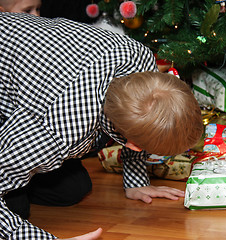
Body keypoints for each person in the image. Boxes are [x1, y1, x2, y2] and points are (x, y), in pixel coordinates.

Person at [0, 12, 203, 240]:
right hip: (12, 73)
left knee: (73, 190)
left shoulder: (142, 61)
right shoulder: (56, 130)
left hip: (35, 69)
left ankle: (18, 173)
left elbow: (142, 117)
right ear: (134, 145)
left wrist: (135, 182)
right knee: (16, 213)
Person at [0, 0, 96, 222]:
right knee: (17, 212)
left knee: (75, 188)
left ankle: (22, 183)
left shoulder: (43, 47)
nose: (36, 17)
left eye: (38, 9)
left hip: (28, 142)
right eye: (27, 11)